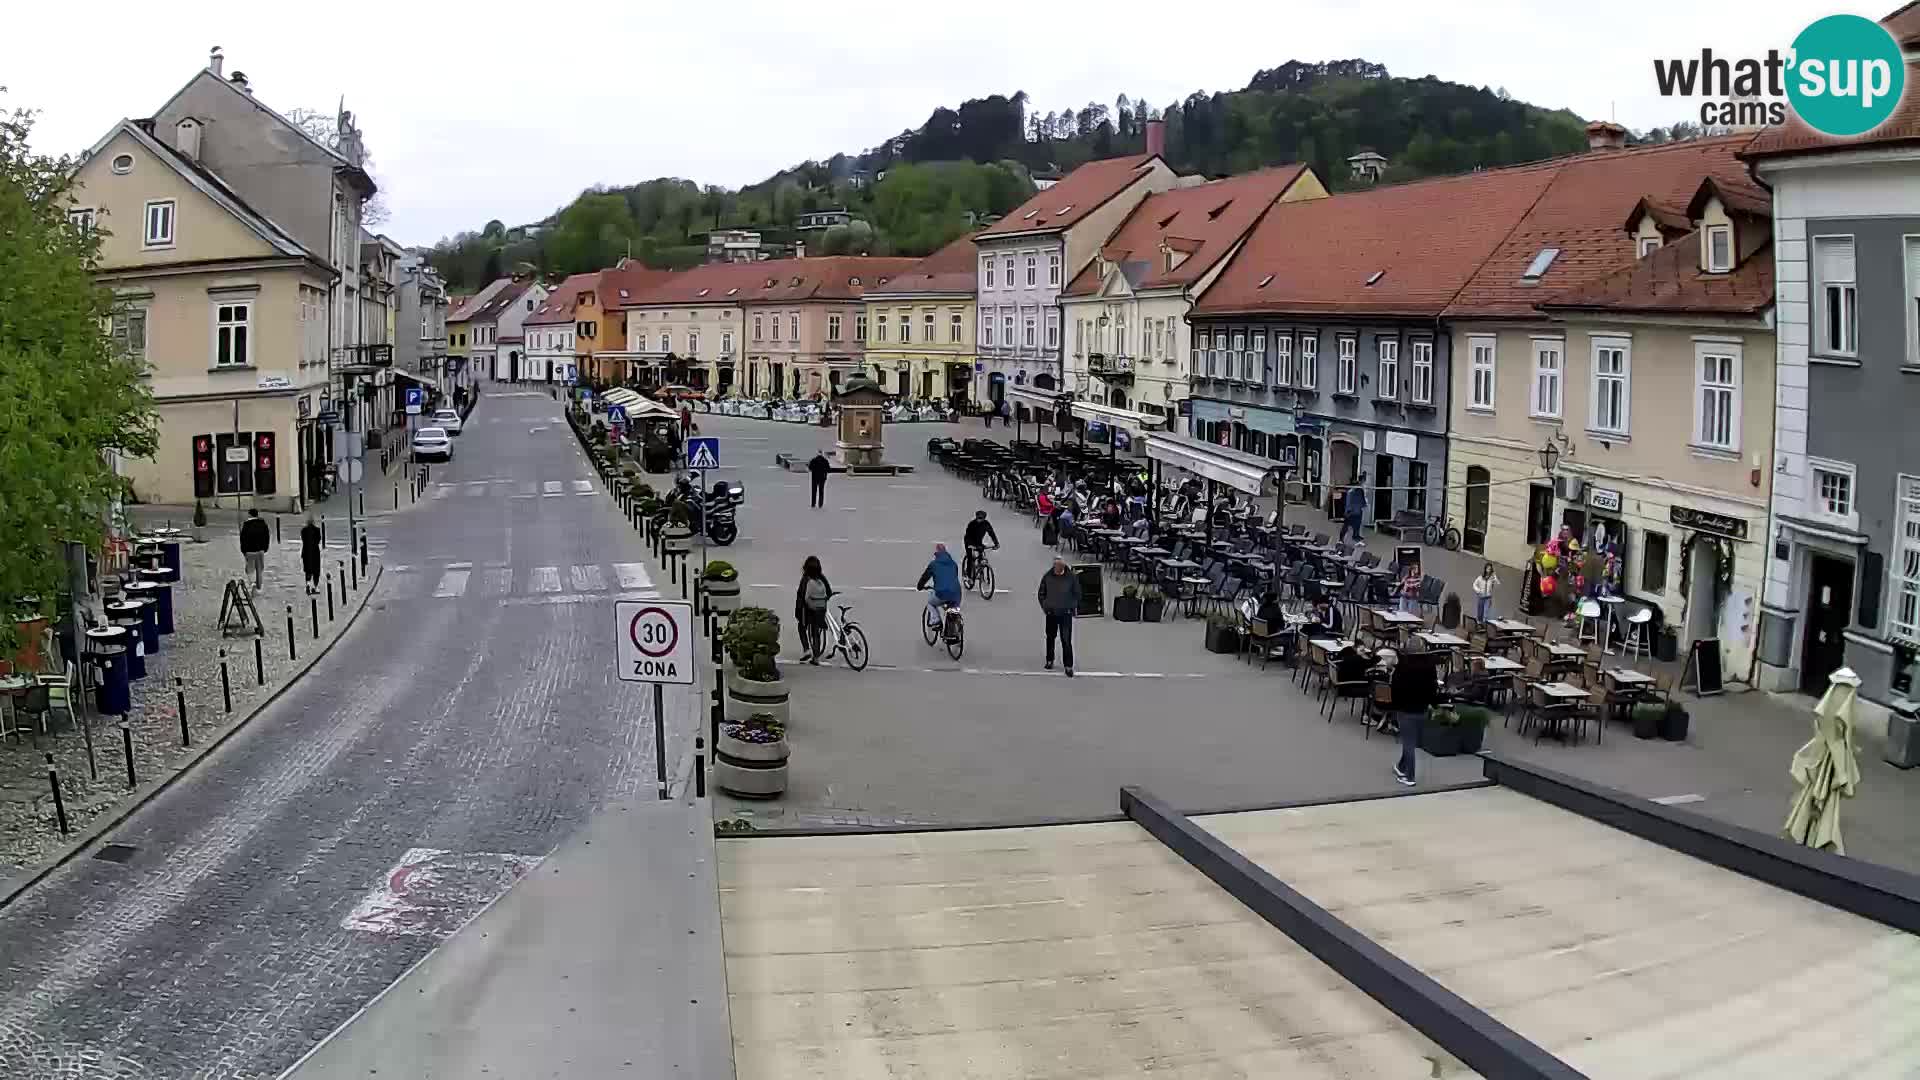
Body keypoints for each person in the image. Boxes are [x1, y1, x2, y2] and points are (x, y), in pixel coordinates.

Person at [1391, 650, 1442, 786]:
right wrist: (1433, 704)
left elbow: (1395, 688)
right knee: (1410, 740)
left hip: (1405, 709)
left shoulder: (1402, 667)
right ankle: (1401, 767)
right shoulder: (1430, 667)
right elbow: (1433, 687)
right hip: (1422, 709)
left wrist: (1395, 706)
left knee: (1408, 743)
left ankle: (1409, 776)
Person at [1037, 556, 1081, 676]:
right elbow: (1041, 593)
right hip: (1051, 613)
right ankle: (1049, 660)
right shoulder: (1048, 576)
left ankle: (1068, 666)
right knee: (1050, 637)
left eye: (1057, 567)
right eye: (1054, 567)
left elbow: (1077, 594)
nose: (1055, 569)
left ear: (1062, 567)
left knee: (1066, 640)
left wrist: (1071, 607)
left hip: (1065, 614)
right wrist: (1046, 607)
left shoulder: (1071, 577)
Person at [916, 544, 963, 640]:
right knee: (952, 609)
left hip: (942, 592)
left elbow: (925, 577)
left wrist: (920, 587)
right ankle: (954, 631)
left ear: (936, 553)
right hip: (956, 593)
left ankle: (936, 620)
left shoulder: (933, 564)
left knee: (931, 603)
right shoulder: (953, 563)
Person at [795, 556, 832, 664]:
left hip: (808, 610)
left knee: (801, 627)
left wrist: (798, 613)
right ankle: (816, 658)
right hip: (820, 610)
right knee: (816, 633)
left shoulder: (806, 579)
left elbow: (801, 596)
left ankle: (806, 650)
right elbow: (829, 592)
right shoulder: (821, 577)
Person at [962, 510, 999, 582]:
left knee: (981, 555)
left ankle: (979, 568)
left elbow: (991, 533)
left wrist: (996, 543)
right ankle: (969, 577)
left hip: (978, 542)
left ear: (984, 518)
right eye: (978, 518)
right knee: (970, 558)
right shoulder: (972, 524)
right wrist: (970, 545)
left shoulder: (986, 524)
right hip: (969, 542)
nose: (979, 520)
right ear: (976, 517)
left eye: (981, 518)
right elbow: (968, 535)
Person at [239, 508, 271, 591]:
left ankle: (252, 585)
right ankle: (259, 586)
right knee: (259, 569)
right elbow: (267, 537)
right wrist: (265, 548)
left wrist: (243, 550)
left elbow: (243, 539)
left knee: (250, 570)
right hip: (260, 550)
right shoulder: (263, 524)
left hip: (249, 551)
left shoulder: (246, 525)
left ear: (250, 514)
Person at [299, 515, 323, 595]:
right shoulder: (317, 530)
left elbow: (303, 539)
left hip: (306, 552)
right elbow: (318, 540)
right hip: (315, 552)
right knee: (316, 571)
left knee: (308, 570)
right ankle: (315, 587)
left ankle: (308, 584)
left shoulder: (303, 531)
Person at [1340, 479, 1368, 543]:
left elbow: (1362, 499)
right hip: (1351, 511)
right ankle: (1341, 538)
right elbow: (1348, 502)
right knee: (1346, 525)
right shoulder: (1351, 492)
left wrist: (1363, 505)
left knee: (1357, 524)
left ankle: (1355, 536)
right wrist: (1347, 511)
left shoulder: (1360, 491)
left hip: (1357, 510)